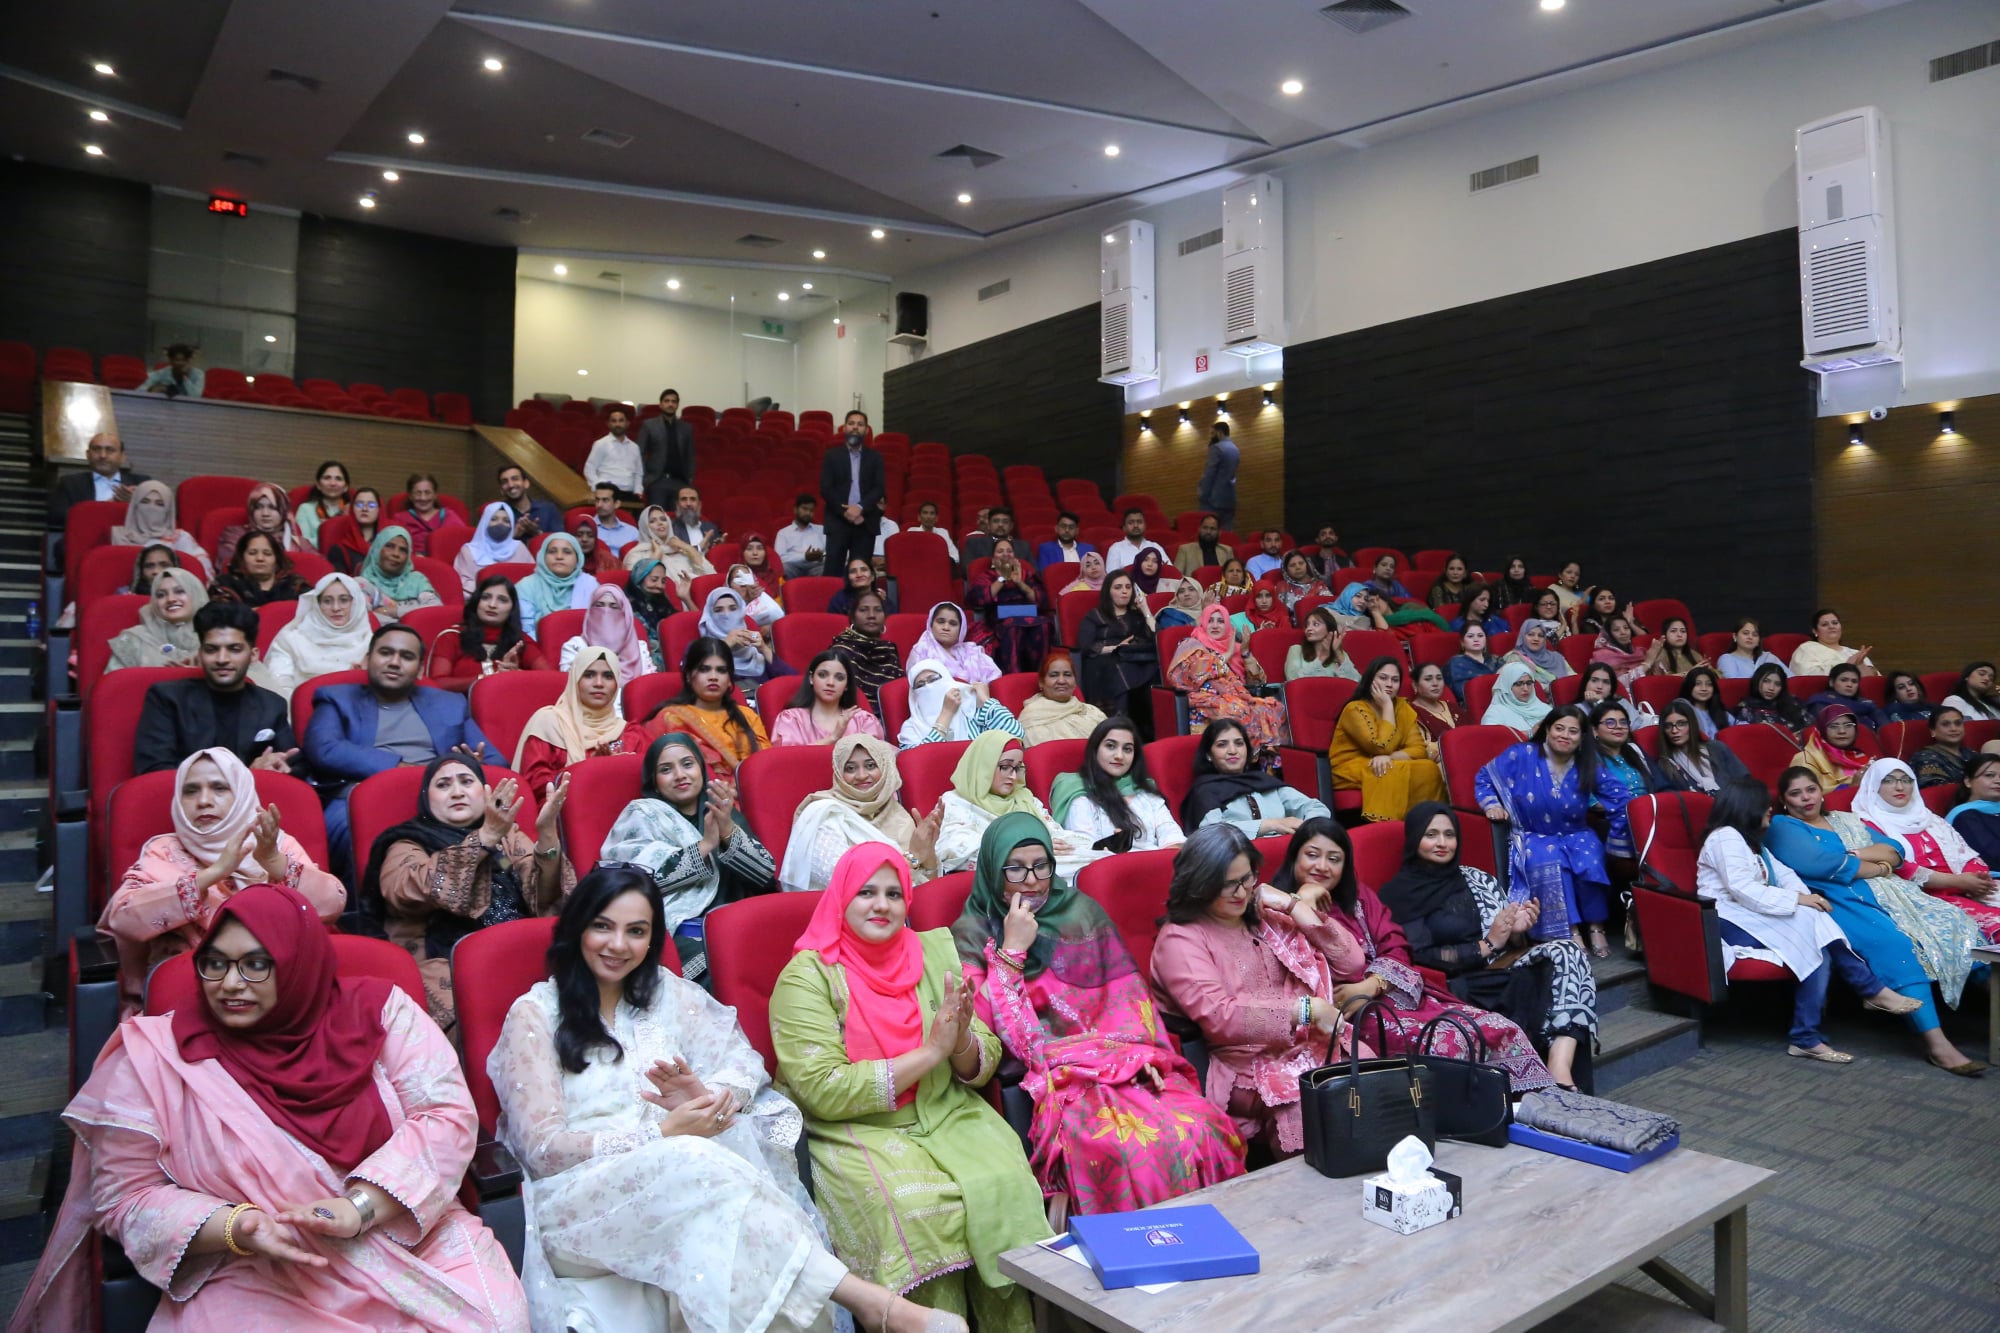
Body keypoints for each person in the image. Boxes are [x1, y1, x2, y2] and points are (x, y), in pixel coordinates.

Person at [14, 883, 528, 1333]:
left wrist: (358, 1208)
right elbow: (125, 1197)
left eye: (257, 964)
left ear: (298, 963)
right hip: (258, 1267)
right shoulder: (156, 1056)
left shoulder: (382, 1013)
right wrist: (237, 1226)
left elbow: (445, 1116)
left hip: (407, 1236)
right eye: (216, 962)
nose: (230, 983)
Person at [487, 867, 941, 1333]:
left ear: (652, 939)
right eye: (603, 926)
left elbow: (744, 1062)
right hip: (576, 1206)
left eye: (636, 931)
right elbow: (542, 1150)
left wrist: (706, 1096)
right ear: (577, 926)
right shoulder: (536, 1014)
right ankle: (868, 1301)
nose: (618, 945)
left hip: (682, 1182)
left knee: (726, 1228)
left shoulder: (663, 993)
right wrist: (661, 1134)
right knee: (695, 1160)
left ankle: (873, 1307)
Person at [770, 842, 1052, 1328]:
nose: (881, 905)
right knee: (914, 1206)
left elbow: (983, 1059)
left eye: (893, 894)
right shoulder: (808, 977)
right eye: (866, 893)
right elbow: (823, 1088)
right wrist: (930, 1053)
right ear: (841, 897)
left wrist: (959, 1040)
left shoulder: (933, 952)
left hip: (947, 1111)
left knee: (1005, 1182)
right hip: (856, 1128)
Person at [953, 815, 1245, 1221]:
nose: (1032, 881)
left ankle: (1213, 1238)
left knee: (1202, 1125)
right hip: (1057, 1077)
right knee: (1126, 1147)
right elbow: (991, 1030)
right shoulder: (972, 931)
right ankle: (1141, 1246)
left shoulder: (1081, 912)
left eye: (1041, 865)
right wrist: (1012, 951)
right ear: (991, 870)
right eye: (1015, 869)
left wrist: (1140, 1057)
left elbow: (1129, 1000)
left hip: (1124, 1062)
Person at [1272, 818, 1555, 1090]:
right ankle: (1459, 1113)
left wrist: (1372, 985)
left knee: (1498, 1027)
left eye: (1334, 859)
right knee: (1447, 1042)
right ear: (1294, 857)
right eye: (1312, 855)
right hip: (1341, 1014)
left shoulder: (1359, 898)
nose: (1322, 866)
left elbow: (1395, 944)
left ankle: (1518, 1105)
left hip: (1390, 993)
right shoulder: (1274, 908)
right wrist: (1302, 901)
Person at [1149, 824, 1366, 1157]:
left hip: (1307, 1044)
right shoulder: (1181, 939)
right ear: (1200, 883)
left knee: (1368, 1071)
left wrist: (1292, 904)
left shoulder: (1263, 913)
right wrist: (1305, 1010)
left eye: (1247, 878)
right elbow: (1221, 1016)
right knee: (1311, 1105)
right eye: (1227, 884)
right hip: (1245, 1063)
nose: (1241, 892)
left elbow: (1351, 963)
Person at [1767, 766, 1986, 1075]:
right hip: (1841, 902)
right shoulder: (1783, 826)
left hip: (1893, 894)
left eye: (1811, 789)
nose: (1806, 798)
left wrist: (1859, 855)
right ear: (1784, 801)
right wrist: (1880, 866)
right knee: (1897, 945)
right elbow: (1821, 864)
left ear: (1821, 792)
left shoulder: (1845, 819)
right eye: (1795, 793)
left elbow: (1896, 851)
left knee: (1956, 924)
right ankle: (1938, 1046)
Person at [99, 747, 344, 1014]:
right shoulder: (164, 850)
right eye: (191, 791)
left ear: (241, 794)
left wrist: (273, 861)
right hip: (188, 999)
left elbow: (332, 905)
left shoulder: (275, 844)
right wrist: (212, 874)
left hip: (280, 994)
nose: (204, 801)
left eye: (219, 788)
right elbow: (123, 919)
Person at [1696, 777, 1920, 1061]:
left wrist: (1808, 898)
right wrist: (1800, 901)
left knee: (1817, 943)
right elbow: (1743, 889)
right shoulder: (1725, 837)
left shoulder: (1750, 841)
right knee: (1813, 929)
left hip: (1754, 916)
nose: (1769, 808)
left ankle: (1806, 1037)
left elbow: (1785, 874)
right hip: (1727, 922)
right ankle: (1868, 990)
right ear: (1747, 806)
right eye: (1764, 803)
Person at [1378, 804, 1596, 1089]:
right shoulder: (1398, 894)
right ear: (1414, 837)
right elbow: (1415, 955)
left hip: (1498, 970)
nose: (1442, 843)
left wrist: (1515, 931)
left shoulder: (1476, 879)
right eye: (1431, 835)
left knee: (1567, 952)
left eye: (1449, 835)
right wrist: (1487, 944)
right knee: (1539, 987)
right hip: (1453, 986)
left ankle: (1559, 1068)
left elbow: (1508, 945)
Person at [359, 755, 572, 1028]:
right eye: (443, 784)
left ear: (484, 793)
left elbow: (546, 893)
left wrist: (547, 837)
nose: (457, 792)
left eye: (466, 781)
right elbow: (407, 890)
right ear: (426, 799)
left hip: (523, 955)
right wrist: (483, 839)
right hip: (448, 967)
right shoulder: (407, 843)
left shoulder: (508, 837)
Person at [303, 623, 493, 857]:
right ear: (367, 659)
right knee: (355, 831)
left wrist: (474, 766)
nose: (394, 662)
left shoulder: (449, 703)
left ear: (420, 669)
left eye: (406, 656)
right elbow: (324, 749)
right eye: (385, 653)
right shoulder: (337, 698)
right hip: (364, 794)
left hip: (440, 797)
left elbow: (494, 760)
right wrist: (399, 768)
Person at [598, 732, 777, 975]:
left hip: (736, 924)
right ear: (654, 781)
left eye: (687, 764)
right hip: (677, 931)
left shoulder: (721, 811)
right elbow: (633, 882)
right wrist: (705, 845)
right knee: (721, 963)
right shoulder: (641, 814)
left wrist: (727, 831)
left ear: (701, 770)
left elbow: (765, 878)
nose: (680, 775)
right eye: (666, 769)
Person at [1474, 706, 1611, 952]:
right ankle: (1569, 930)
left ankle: (1596, 927)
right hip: (1533, 834)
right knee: (1551, 859)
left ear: (1582, 737)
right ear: (1547, 729)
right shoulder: (1522, 753)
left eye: (1572, 731)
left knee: (1591, 858)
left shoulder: (1588, 762)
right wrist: (1492, 804)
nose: (1565, 735)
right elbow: (1484, 777)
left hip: (1576, 832)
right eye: (1559, 728)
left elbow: (1616, 794)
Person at [132, 600, 299, 776]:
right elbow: (154, 769)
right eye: (211, 650)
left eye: (234, 649)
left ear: (253, 655)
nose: (222, 659)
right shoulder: (167, 698)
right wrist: (245, 775)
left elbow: (295, 764)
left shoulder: (271, 705)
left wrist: (279, 764)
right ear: (200, 654)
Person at [1851, 758, 2000, 944]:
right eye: (1888, 780)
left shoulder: (1929, 818)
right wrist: (1959, 882)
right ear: (1873, 786)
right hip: (1923, 897)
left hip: (1966, 887)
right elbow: (1900, 868)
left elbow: (1965, 853)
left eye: (1906, 780)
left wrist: (1978, 881)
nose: (1900, 787)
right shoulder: (1865, 824)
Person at [780, 736, 941, 893]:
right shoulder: (824, 813)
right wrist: (913, 857)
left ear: (885, 767)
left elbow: (927, 889)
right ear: (838, 772)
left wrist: (929, 856)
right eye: (850, 768)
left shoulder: (899, 815)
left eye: (870, 765)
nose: (862, 775)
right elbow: (850, 882)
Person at [928, 732, 1085, 879]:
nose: (1013, 776)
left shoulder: (1025, 798)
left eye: (1017, 768)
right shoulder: (954, 802)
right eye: (1005, 767)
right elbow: (952, 851)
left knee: (1092, 861)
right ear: (984, 766)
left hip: (1048, 863)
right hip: (1000, 876)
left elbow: (1056, 834)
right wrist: (1028, 846)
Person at [627, 638, 769, 780]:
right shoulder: (671, 718)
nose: (713, 677)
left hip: (753, 790)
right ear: (689, 676)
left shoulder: (748, 716)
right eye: (704, 669)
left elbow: (766, 767)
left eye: (721, 670)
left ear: (730, 679)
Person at [1329, 657, 1446, 822]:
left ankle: (1425, 824)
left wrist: (1389, 757)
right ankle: (1386, 827)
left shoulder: (1403, 708)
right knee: (1388, 770)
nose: (1389, 684)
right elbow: (1381, 746)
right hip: (1350, 766)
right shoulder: (1355, 709)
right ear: (1370, 680)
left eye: (1395, 680)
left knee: (1429, 768)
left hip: (1386, 762)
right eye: (1383, 678)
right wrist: (1387, 707)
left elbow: (1418, 749)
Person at [1167, 604, 1286, 761]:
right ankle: (1245, 760)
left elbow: (1258, 681)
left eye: (1220, 621)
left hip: (1238, 697)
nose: (1215, 625)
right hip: (1204, 700)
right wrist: (1227, 654)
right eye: (1210, 620)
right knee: (1238, 710)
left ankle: (1266, 762)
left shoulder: (1236, 647)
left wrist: (1245, 653)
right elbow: (1194, 675)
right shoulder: (1191, 645)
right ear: (1203, 623)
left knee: (1274, 708)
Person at [1050, 717, 1184, 853]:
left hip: (1156, 861)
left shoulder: (1144, 789)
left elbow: (1171, 833)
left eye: (1127, 749)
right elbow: (1084, 847)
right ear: (1095, 749)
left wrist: (1170, 856)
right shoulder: (1078, 791)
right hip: (1106, 863)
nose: (1119, 756)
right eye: (1110, 746)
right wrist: (1113, 847)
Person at [1180, 718, 1329, 838]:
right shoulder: (1205, 791)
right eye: (1222, 745)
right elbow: (1213, 832)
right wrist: (1270, 825)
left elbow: (1317, 808)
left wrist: (1306, 829)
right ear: (1208, 755)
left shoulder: (1263, 781)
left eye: (1239, 743)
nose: (1233, 751)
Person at [513, 648, 630, 795]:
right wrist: (587, 770)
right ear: (575, 679)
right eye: (589, 675)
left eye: (608, 676)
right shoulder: (548, 723)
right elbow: (534, 784)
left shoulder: (629, 732)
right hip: (558, 806)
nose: (599, 683)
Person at [263, 573, 371, 697]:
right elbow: (280, 685)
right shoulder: (291, 640)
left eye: (344, 600)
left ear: (356, 603)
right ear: (317, 604)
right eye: (327, 601)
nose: (336, 608)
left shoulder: (372, 644)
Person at [1587, 700, 1653, 900]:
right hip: (1617, 819)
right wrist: (1612, 808)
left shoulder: (1635, 752)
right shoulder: (1589, 757)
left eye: (1623, 722)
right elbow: (1587, 797)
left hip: (1650, 814)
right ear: (1595, 730)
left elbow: (1658, 783)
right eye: (1610, 722)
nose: (1618, 727)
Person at [1074, 570, 1158, 726]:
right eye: (1118, 587)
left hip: (1133, 658)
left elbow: (1155, 637)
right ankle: (1118, 722)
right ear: (1108, 591)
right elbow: (1085, 646)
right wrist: (1115, 648)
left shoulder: (1136, 615)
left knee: (1156, 667)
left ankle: (1148, 728)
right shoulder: (1095, 616)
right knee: (1119, 669)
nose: (1124, 591)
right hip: (1103, 661)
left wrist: (1145, 609)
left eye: (1128, 587)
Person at [426, 575, 546, 682]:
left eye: (502, 600)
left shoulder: (519, 641)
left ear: (512, 609)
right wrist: (485, 679)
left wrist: (517, 675)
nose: (492, 605)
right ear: (476, 602)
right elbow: (438, 683)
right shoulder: (453, 636)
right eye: (485, 597)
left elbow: (549, 678)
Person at [965, 539, 1052, 674]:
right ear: (993, 559)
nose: (1005, 554)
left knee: (1044, 625)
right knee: (1013, 627)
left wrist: (1020, 583)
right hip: (1000, 620)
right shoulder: (987, 576)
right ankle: (1014, 676)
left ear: (1014, 556)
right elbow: (978, 599)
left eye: (1009, 551)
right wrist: (1003, 578)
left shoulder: (1026, 575)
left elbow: (1042, 600)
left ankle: (1041, 675)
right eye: (1000, 551)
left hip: (1029, 616)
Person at [820, 413, 886, 580]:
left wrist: (860, 508)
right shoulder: (832, 456)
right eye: (851, 423)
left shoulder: (875, 457)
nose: (855, 427)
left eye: (860, 424)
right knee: (833, 573)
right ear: (844, 428)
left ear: (866, 430)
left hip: (865, 522)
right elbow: (826, 489)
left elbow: (879, 488)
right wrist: (847, 512)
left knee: (861, 575)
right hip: (838, 522)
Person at [772, 651, 886, 746]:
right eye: (822, 675)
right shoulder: (792, 719)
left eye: (839, 678)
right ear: (811, 678)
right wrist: (833, 738)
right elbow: (787, 760)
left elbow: (880, 758)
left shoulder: (863, 720)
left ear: (847, 685)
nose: (830, 683)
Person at [899, 664, 1025, 750]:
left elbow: (1015, 735)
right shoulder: (911, 728)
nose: (928, 686)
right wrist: (946, 714)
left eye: (933, 679)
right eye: (920, 685)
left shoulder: (970, 709)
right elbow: (920, 762)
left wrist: (986, 700)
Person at [108, 567, 208, 674]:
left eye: (180, 591)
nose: (170, 599)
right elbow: (113, 682)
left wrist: (197, 674)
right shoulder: (135, 639)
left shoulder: (213, 637)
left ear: (196, 595)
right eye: (161, 595)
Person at [108, 479, 211, 580]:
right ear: (134, 506)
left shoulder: (181, 538)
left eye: (160, 504)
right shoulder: (118, 535)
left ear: (168, 510)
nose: (151, 508)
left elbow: (203, 573)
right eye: (145, 502)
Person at [557, 585, 654, 686]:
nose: (606, 611)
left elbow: (648, 688)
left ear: (625, 614)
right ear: (590, 612)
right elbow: (571, 687)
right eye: (599, 605)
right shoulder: (575, 647)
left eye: (614, 607)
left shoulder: (639, 650)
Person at [48, 430, 149, 527]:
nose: (102, 455)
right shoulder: (70, 483)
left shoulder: (142, 483)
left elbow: (155, 518)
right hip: (87, 536)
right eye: (96, 449)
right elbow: (56, 517)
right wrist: (105, 506)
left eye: (110, 450)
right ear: (88, 455)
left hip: (128, 537)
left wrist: (135, 502)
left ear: (122, 457)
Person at [828, 588, 902, 715]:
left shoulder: (889, 649)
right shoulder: (841, 651)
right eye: (863, 610)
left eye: (878, 610)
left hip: (889, 717)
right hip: (850, 718)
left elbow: (897, 694)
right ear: (852, 617)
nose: (871, 615)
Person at [1653, 700, 1750, 794]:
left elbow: (1745, 781)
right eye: (1668, 726)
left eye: (1681, 724)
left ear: (1692, 724)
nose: (1674, 731)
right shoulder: (1665, 765)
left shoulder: (1717, 748)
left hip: (1736, 802)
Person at [514, 532, 597, 637]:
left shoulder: (590, 585)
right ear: (543, 556)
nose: (559, 556)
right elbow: (525, 631)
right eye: (552, 551)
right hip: (537, 644)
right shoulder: (526, 586)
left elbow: (597, 626)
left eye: (567, 552)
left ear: (578, 558)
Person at [1017, 650, 1106, 746]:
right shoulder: (1032, 717)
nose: (1061, 681)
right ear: (1041, 682)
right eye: (1054, 675)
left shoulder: (1092, 712)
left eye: (1067, 675)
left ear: (1075, 681)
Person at [353, 526, 440, 622]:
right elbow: (363, 619)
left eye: (403, 550)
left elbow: (435, 607)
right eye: (390, 546)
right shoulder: (363, 584)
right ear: (377, 549)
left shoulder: (417, 580)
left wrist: (392, 611)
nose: (396, 554)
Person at [207, 531, 312, 609]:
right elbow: (219, 618)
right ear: (242, 558)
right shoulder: (225, 584)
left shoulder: (295, 584)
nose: (260, 558)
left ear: (276, 559)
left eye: (267, 554)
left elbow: (314, 615)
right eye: (252, 553)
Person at [215, 482, 306, 570]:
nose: (265, 514)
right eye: (259, 507)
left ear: (284, 510)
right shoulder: (235, 535)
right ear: (251, 510)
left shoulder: (300, 543)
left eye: (272, 508)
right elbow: (231, 565)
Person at [455, 501, 530, 596]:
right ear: (485, 522)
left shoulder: (519, 547)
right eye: (494, 519)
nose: (500, 523)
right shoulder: (469, 550)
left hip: (517, 597)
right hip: (479, 597)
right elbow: (462, 582)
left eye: (506, 521)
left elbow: (532, 577)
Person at [637, 387, 696, 508]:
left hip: (680, 482)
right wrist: (645, 478)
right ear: (661, 404)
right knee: (657, 515)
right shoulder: (649, 425)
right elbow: (640, 453)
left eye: (674, 401)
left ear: (677, 405)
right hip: (656, 481)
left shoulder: (686, 428)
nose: (670, 404)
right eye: (667, 401)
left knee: (677, 517)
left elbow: (690, 455)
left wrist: (689, 478)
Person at [1793, 703, 1872, 792]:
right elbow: (1806, 795)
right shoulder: (1805, 759)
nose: (1842, 731)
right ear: (1821, 730)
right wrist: (1852, 788)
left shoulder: (1857, 755)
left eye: (1848, 725)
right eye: (1833, 726)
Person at [387, 474, 463, 558]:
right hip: (411, 561)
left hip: (444, 561)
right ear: (410, 496)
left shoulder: (449, 516)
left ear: (435, 495)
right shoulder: (400, 519)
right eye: (418, 493)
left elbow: (462, 542)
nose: (423, 498)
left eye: (427, 492)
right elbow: (392, 547)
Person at [1948, 754, 2000, 868]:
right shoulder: (1964, 817)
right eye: (1989, 775)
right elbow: (1993, 856)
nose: (1998, 780)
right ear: (1968, 782)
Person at [1790, 608, 1876, 677]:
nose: (1831, 626)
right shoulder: (1807, 649)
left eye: (1835, 623)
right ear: (1815, 631)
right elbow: (1807, 676)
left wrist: (1860, 665)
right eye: (1824, 624)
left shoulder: (1855, 653)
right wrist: (1847, 666)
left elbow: (1873, 682)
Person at [318, 486, 384, 574]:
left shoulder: (388, 545)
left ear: (379, 509)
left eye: (371, 505)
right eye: (359, 505)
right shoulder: (339, 550)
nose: (364, 509)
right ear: (352, 509)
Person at [582, 405, 644, 497]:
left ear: (627, 423)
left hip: (629, 493)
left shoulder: (634, 447)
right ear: (608, 424)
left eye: (621, 420)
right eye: (614, 421)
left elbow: (638, 473)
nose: (617, 424)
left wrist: (638, 491)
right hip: (606, 493)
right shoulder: (600, 444)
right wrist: (597, 487)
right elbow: (589, 469)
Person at [1913, 707, 1981, 789]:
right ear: (1933, 731)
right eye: (1945, 724)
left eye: (1958, 723)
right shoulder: (1926, 758)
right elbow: (1938, 791)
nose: (1953, 729)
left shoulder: (1971, 754)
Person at [1806, 664, 1888, 731]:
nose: (1849, 684)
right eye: (1844, 680)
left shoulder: (1867, 704)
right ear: (1831, 682)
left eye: (1854, 681)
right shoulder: (1821, 702)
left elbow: (1886, 727)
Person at [1736, 662, 1811, 734]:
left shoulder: (1793, 704)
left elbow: (1811, 729)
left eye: (1777, 684)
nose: (1771, 688)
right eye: (1766, 681)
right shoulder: (1746, 709)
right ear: (1757, 681)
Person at [1285, 607, 1359, 681]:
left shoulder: (1340, 654)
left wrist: (1338, 653)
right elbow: (1293, 680)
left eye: (1316, 624)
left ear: (1329, 629)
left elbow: (1356, 682)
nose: (1309, 628)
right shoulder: (1296, 650)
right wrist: (1323, 655)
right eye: (1307, 625)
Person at [623, 559, 680, 651]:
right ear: (639, 578)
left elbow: (682, 628)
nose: (660, 585)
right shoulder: (625, 604)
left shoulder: (662, 601)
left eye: (663, 581)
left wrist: (686, 598)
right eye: (654, 580)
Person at [1481, 660, 1552, 735]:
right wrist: (1529, 733)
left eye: (1529, 683)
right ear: (1506, 687)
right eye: (1518, 684)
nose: (1525, 689)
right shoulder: (1495, 713)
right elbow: (1491, 737)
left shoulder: (1544, 708)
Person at [497, 463, 563, 540]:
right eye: (505, 482)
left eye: (515, 479)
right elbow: (490, 545)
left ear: (526, 483)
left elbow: (562, 542)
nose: (510, 485)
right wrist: (513, 535)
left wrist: (537, 533)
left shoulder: (548, 509)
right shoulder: (496, 514)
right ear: (501, 490)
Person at [1193, 422, 1239, 531]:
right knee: (1226, 533)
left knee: (1209, 532)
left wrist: (1202, 494)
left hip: (1213, 500)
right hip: (1229, 498)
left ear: (1219, 433)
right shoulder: (1235, 449)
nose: (1211, 436)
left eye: (1212, 433)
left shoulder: (1216, 448)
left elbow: (1209, 474)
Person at [294, 460, 350, 549]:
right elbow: (303, 542)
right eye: (327, 478)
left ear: (346, 487)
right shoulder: (306, 509)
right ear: (318, 485)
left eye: (338, 479)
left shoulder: (353, 511)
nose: (333, 483)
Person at [1502, 618, 1570, 686]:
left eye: (1540, 636)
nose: (1536, 639)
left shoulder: (1557, 657)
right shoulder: (1515, 658)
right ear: (1522, 636)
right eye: (1531, 634)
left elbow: (1573, 679)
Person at [774, 493, 826, 579]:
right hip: (793, 568)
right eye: (804, 509)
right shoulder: (783, 533)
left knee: (826, 568)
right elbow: (780, 558)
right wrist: (805, 557)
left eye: (811, 510)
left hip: (816, 567)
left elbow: (828, 553)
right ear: (795, 510)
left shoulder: (821, 530)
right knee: (784, 568)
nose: (808, 513)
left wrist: (821, 556)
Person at [1716, 617, 1789, 679]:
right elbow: (1733, 686)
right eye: (1745, 633)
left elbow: (1790, 679)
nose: (1750, 637)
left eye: (1755, 635)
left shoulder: (1768, 657)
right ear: (1735, 636)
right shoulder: (1727, 659)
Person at [1409, 662, 1464, 744]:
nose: (1435, 683)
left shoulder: (1452, 707)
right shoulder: (1409, 713)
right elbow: (1419, 747)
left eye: (1439, 678)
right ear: (1415, 685)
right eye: (1428, 679)